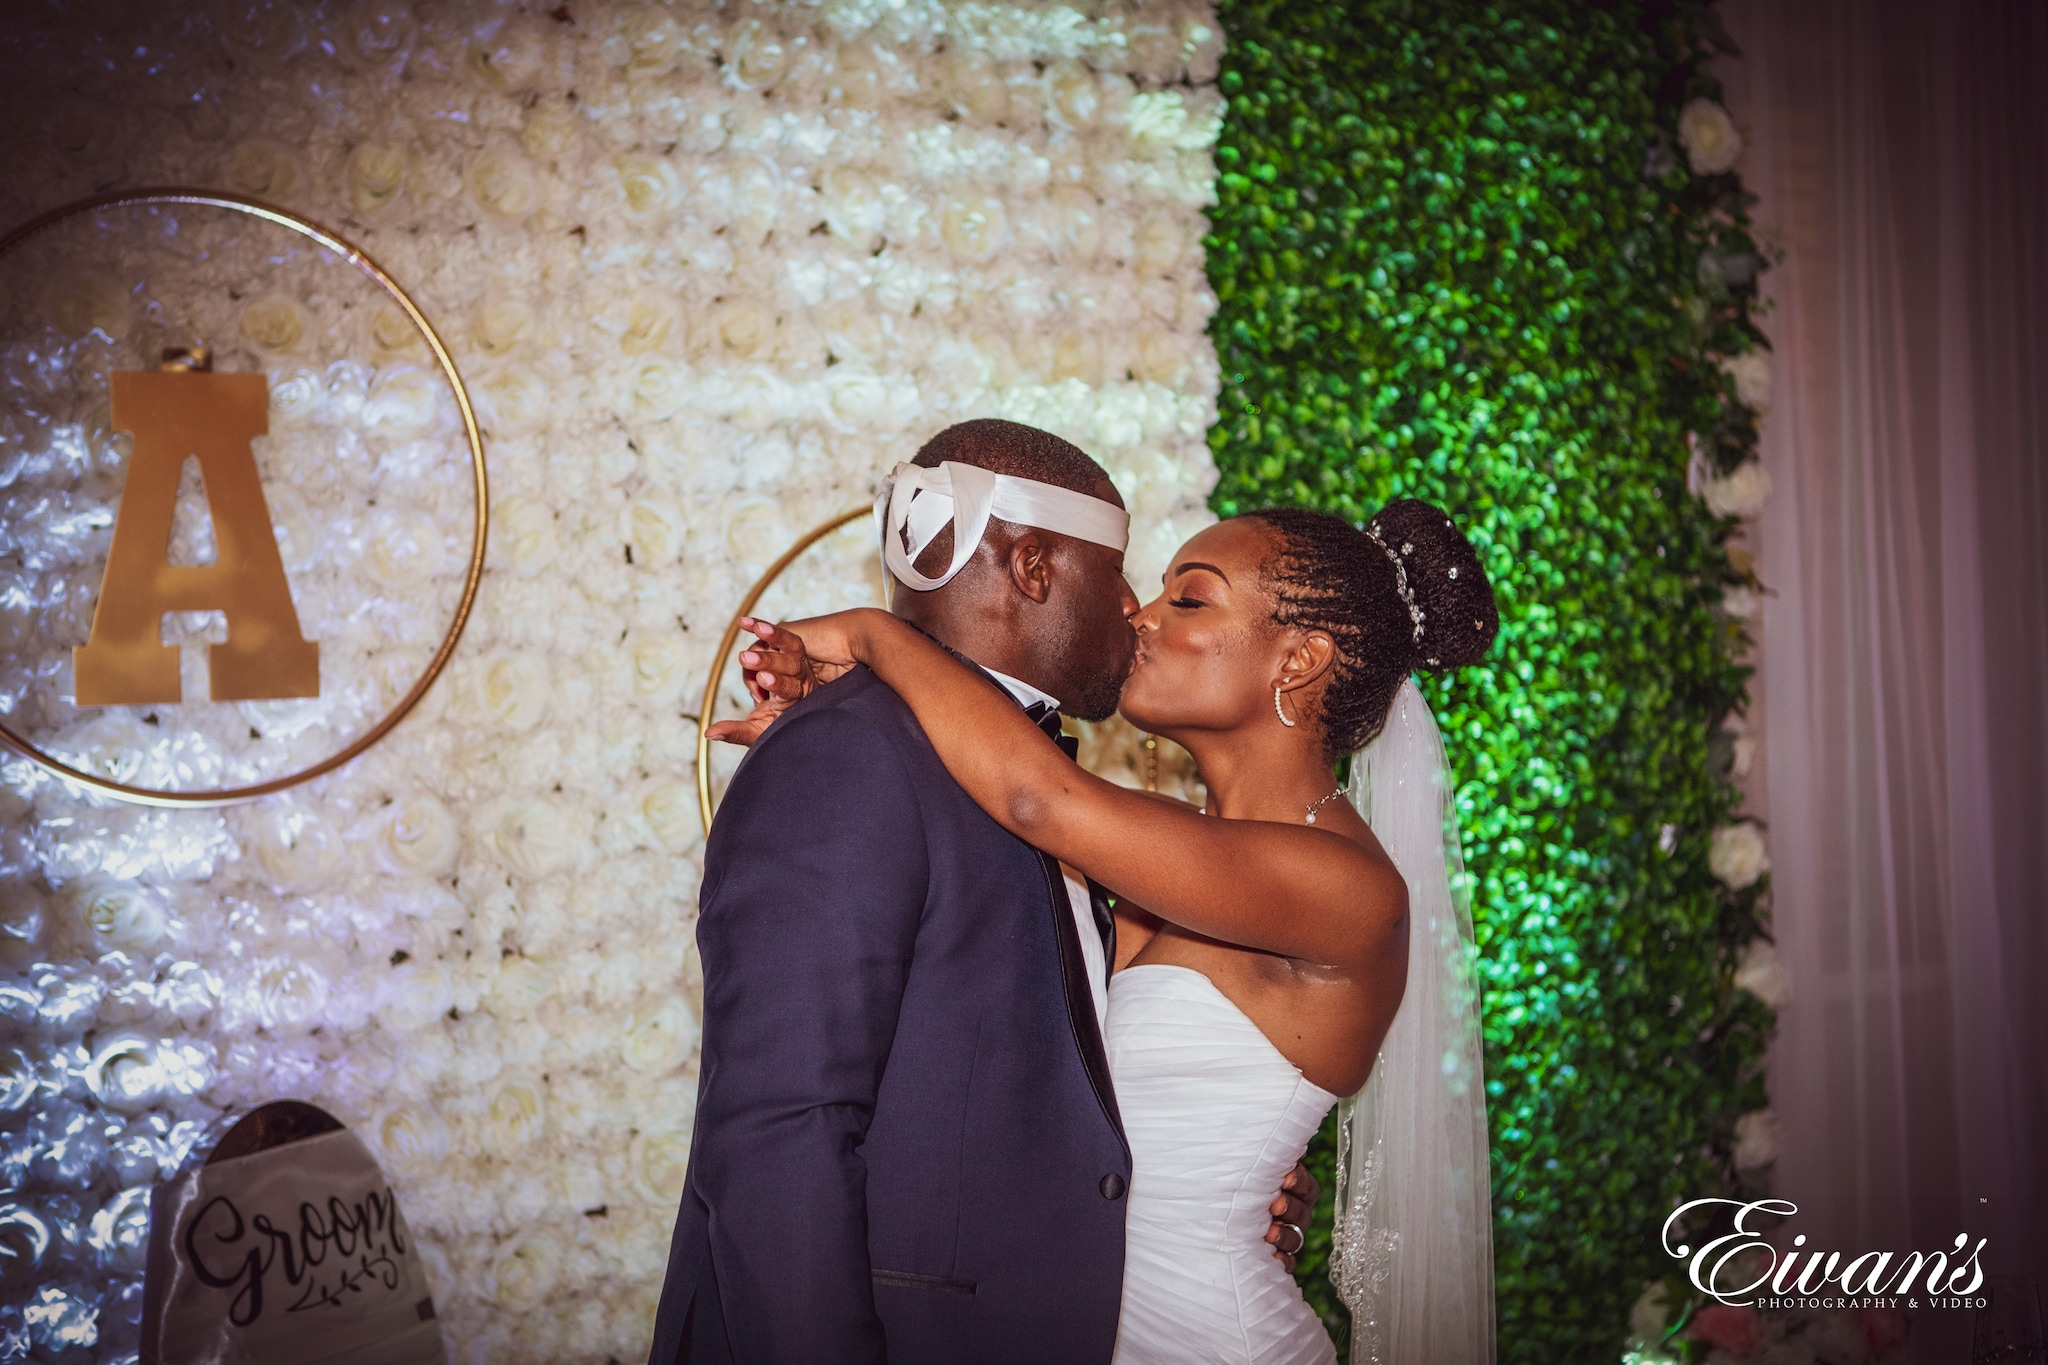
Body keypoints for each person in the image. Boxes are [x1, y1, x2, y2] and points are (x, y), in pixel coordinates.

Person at [722, 498, 1500, 1364]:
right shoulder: (1155, 862)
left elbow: (1036, 798)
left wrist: (875, 637)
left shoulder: (1346, 885)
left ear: (1300, 659)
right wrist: (850, 727)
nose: (1142, 612)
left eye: (1190, 599)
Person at [647, 419, 1317, 1365]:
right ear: (1035, 565)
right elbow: (777, 1134)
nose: (1133, 610)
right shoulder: (848, 753)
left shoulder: (1035, 783)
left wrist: (1233, 1181)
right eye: (1118, 570)